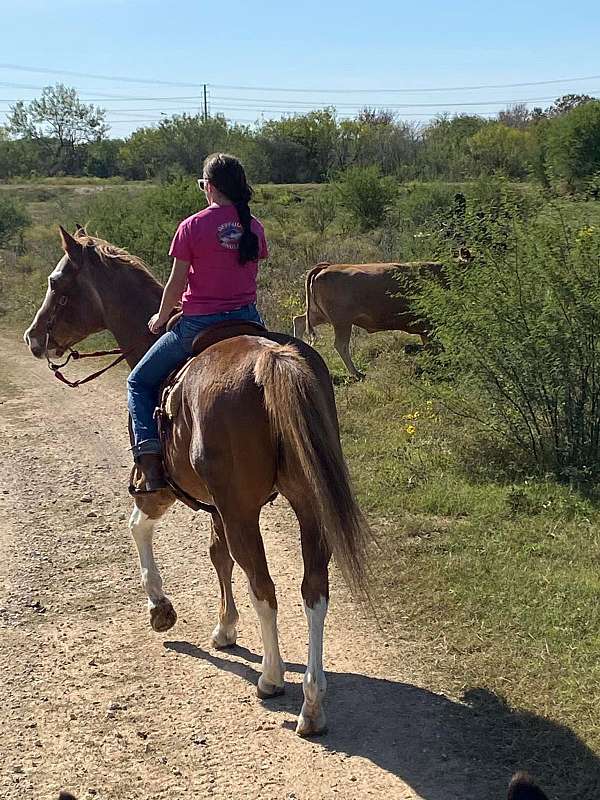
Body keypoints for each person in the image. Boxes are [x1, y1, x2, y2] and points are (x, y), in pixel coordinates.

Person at [127, 153, 268, 492]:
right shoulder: (255, 226)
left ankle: (150, 463)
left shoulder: (191, 226)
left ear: (210, 186)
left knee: (138, 382)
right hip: (248, 319)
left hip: (197, 326)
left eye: (203, 184)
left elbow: (176, 284)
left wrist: (161, 319)